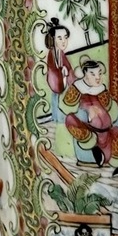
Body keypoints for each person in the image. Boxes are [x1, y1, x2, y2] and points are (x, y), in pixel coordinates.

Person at [61, 59, 118, 178]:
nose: (97, 77)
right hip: (90, 133)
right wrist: (87, 111)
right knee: (71, 120)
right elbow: (67, 108)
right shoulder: (77, 88)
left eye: (99, 73)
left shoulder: (101, 89)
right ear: (85, 74)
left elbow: (112, 111)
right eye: (92, 74)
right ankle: (93, 148)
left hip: (106, 134)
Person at [43, 17, 75, 159]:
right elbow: (52, 70)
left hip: (63, 82)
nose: (63, 41)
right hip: (57, 83)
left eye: (65, 38)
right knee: (57, 100)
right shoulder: (52, 54)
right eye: (60, 38)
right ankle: (58, 120)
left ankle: (60, 119)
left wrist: (67, 73)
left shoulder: (61, 54)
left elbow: (68, 67)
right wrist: (61, 72)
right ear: (53, 39)